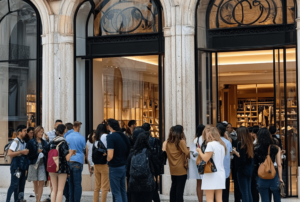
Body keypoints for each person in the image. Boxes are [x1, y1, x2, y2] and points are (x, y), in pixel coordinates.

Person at [45, 124, 75, 202]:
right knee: (60, 190)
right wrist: (71, 153)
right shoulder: (63, 142)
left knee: (54, 190)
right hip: (62, 168)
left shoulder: (51, 142)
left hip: (52, 167)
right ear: (64, 131)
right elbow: (67, 158)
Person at [196, 127, 227, 202]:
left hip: (211, 174)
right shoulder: (222, 145)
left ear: (209, 134)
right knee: (219, 199)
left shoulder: (210, 144)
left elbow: (205, 158)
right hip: (220, 174)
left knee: (209, 199)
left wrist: (199, 151)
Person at [126, 132, 158, 202]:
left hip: (134, 184)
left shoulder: (132, 153)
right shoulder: (149, 153)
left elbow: (127, 170)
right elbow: (155, 167)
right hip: (147, 184)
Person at [254, 128, 283, 202]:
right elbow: (279, 165)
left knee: (264, 199)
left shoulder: (255, 148)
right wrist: (280, 178)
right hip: (273, 175)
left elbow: (254, 163)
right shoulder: (276, 148)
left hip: (262, 176)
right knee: (277, 197)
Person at [107, 119, 131, 202]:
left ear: (110, 126)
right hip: (123, 166)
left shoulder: (110, 137)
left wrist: (107, 160)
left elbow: (110, 155)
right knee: (123, 191)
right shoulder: (124, 136)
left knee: (116, 193)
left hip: (114, 167)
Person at [165, 125, 189, 202]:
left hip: (173, 169)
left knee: (173, 188)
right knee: (179, 191)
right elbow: (187, 153)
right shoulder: (181, 142)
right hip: (181, 169)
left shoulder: (168, 143)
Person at [6, 125, 29, 202]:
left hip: (22, 166)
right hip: (16, 166)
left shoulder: (24, 142)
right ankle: (8, 200)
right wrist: (22, 152)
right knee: (14, 185)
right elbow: (9, 153)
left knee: (21, 185)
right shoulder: (15, 141)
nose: (26, 132)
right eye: (24, 131)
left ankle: (18, 200)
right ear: (20, 132)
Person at [26, 126, 48, 202]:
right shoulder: (30, 142)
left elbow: (47, 153)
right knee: (35, 182)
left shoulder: (45, 142)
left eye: (42, 131)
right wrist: (37, 153)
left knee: (41, 182)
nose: (41, 133)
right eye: (39, 131)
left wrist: (43, 152)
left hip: (42, 164)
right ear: (36, 132)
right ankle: (37, 199)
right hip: (33, 164)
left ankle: (39, 200)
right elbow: (29, 155)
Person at [65, 121, 85, 202]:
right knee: (77, 184)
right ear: (78, 127)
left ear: (73, 127)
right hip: (78, 161)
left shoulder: (67, 137)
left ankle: (70, 200)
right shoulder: (81, 137)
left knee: (70, 183)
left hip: (69, 160)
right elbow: (83, 149)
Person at [232, 127, 254, 202]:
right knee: (248, 191)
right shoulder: (249, 143)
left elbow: (242, 159)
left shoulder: (240, 144)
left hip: (242, 170)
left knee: (244, 192)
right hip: (248, 169)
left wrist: (235, 153)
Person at [142, 123, 162, 202]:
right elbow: (160, 153)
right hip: (154, 165)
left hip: (145, 165)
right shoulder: (155, 140)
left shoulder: (141, 140)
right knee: (154, 185)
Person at [93, 124, 110, 202]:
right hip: (104, 165)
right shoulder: (106, 136)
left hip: (96, 164)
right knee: (104, 188)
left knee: (97, 187)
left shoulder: (96, 138)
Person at [188, 124, 205, 202]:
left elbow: (192, 153)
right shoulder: (205, 139)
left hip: (197, 164)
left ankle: (200, 200)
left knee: (198, 183)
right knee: (206, 183)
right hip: (205, 162)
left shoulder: (195, 139)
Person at [216, 123, 232, 202]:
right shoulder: (228, 142)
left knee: (216, 194)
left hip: (216, 171)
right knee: (225, 195)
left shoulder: (214, 142)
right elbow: (230, 153)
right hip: (225, 171)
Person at [63, 122, 73, 202]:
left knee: (66, 182)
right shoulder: (78, 135)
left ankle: (67, 198)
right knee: (75, 183)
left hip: (67, 161)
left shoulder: (65, 136)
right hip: (77, 161)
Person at [251, 126, 260, 202]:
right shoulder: (257, 141)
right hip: (259, 166)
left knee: (255, 186)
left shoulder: (256, 142)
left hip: (256, 166)